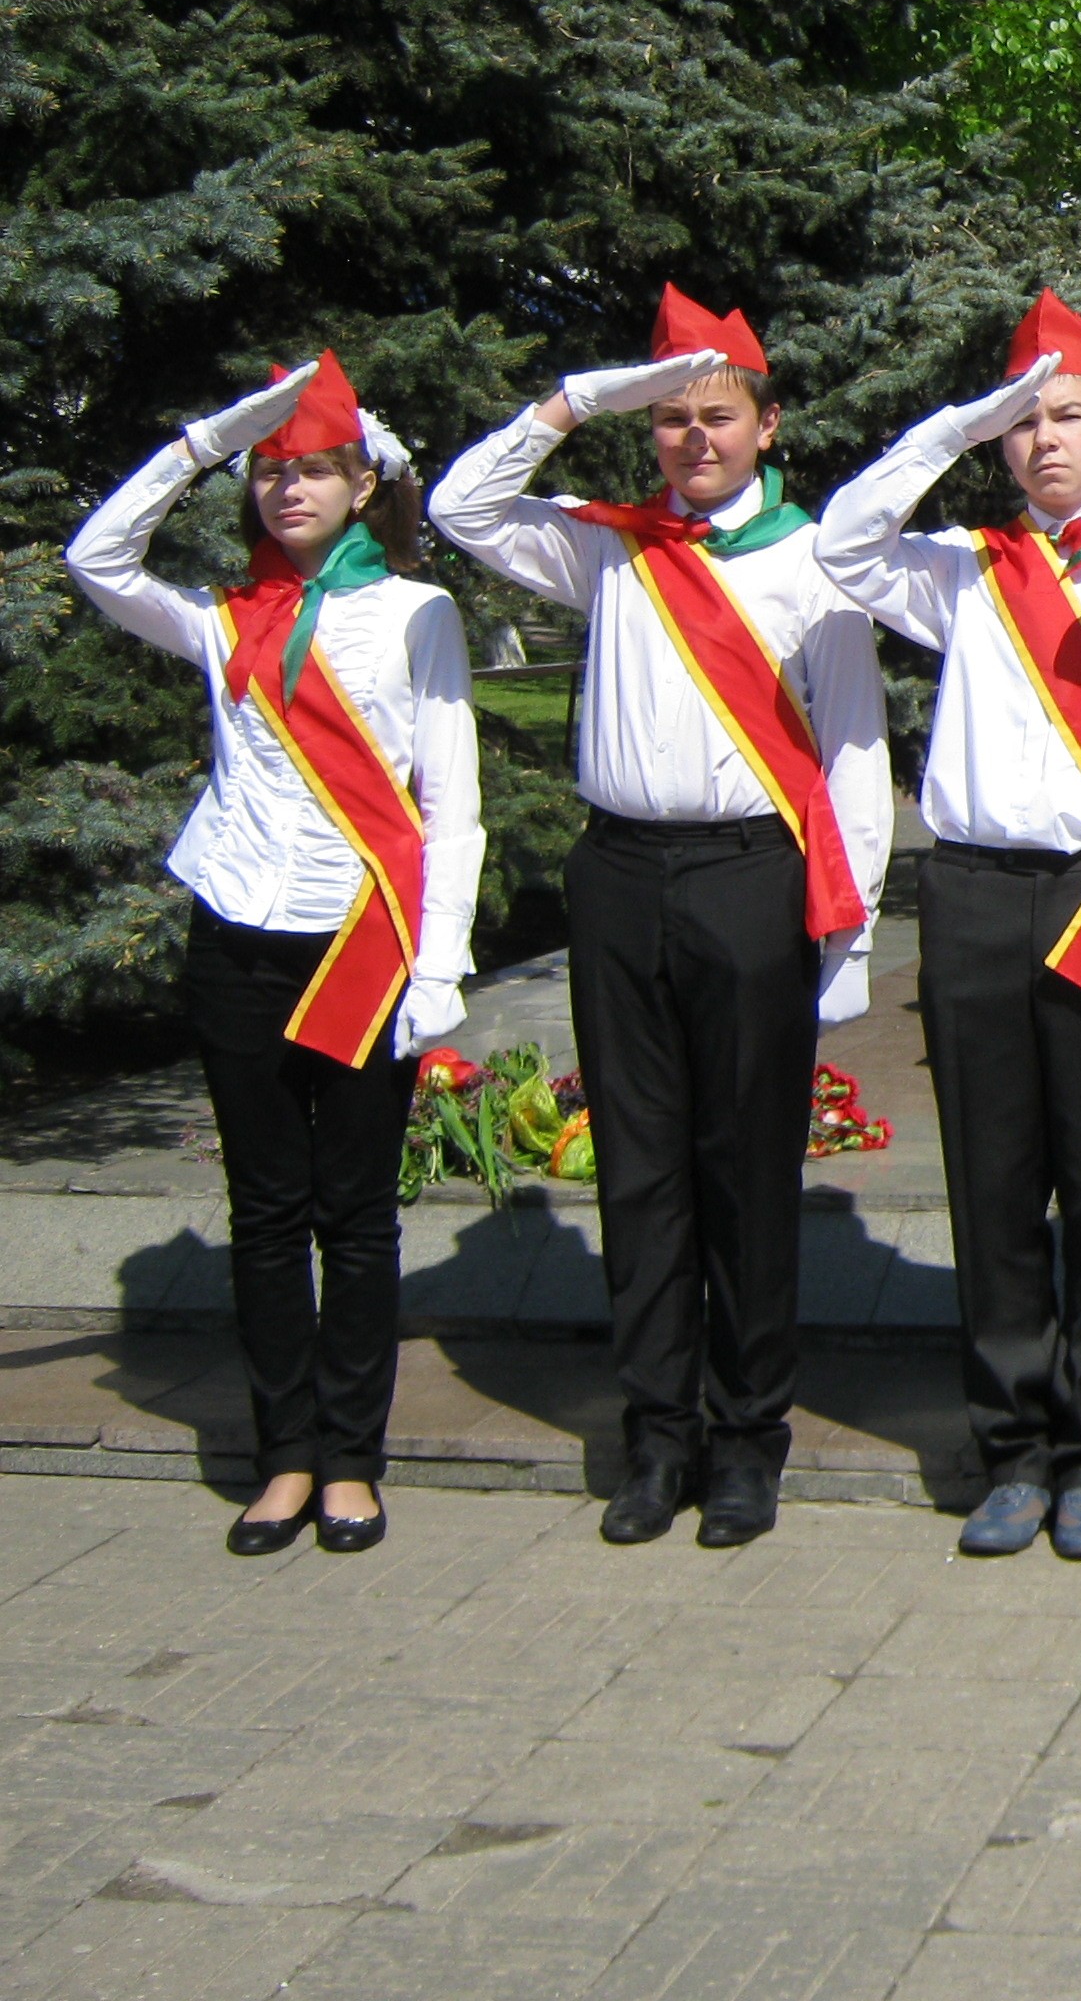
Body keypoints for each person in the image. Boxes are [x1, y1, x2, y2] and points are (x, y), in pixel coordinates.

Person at [433, 289, 893, 1550]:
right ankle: (657, 1436)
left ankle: (749, 1441)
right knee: (637, 1167)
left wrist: (847, 936)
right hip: (620, 876)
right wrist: (580, 399)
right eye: (673, 417)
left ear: (766, 423)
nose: (694, 438)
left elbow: (854, 750)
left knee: (745, 1169)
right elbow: (460, 508)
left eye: (718, 414)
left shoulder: (812, 559)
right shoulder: (611, 546)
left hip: (752, 876)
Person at [813, 293, 1081, 1562]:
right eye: (1025, 421)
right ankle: (1012, 1449)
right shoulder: (961, 571)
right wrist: (953, 426)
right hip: (979, 898)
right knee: (992, 1190)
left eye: (1068, 416)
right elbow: (842, 543)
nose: (1045, 440)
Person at [66, 356, 480, 1556]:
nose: (288, 488)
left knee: (354, 1217)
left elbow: (450, 802)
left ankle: (353, 1458)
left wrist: (443, 959)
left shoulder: (417, 611)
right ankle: (281, 1458)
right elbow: (95, 559)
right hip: (238, 941)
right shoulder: (218, 618)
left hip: (366, 942)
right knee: (264, 1212)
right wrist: (202, 441)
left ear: (364, 483)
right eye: (271, 471)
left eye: (313, 469)